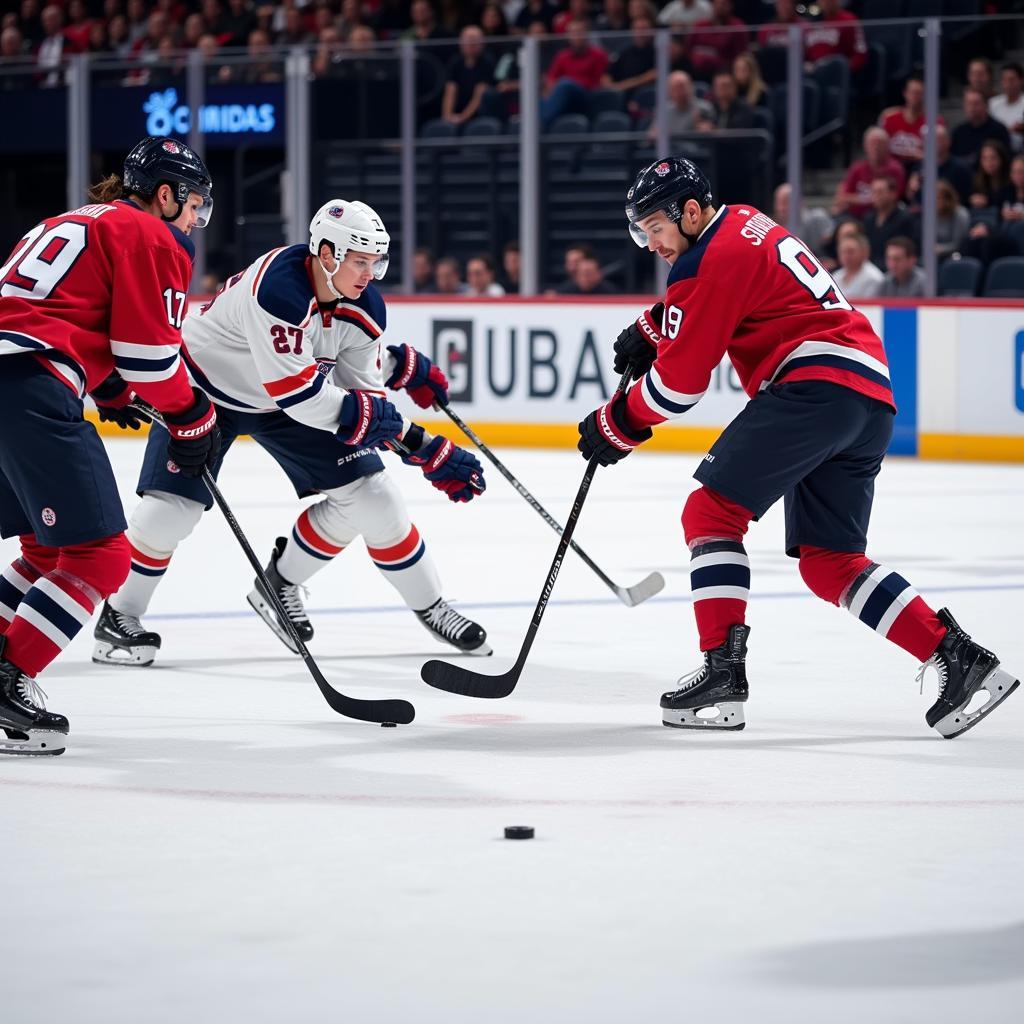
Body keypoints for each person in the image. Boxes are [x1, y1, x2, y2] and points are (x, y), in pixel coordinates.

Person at [576, 156, 1019, 738]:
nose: (652, 244)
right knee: (828, 562)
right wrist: (655, 326)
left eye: (655, 229)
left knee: (710, 513)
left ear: (688, 212)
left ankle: (722, 675)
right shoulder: (741, 221)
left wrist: (617, 422)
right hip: (867, 396)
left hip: (815, 387)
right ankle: (959, 659)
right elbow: (741, 297)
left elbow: (680, 388)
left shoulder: (704, 261)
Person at [93, 200, 490, 669]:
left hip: (286, 396)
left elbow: (362, 396)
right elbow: (302, 397)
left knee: (373, 497)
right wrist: (424, 445)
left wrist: (400, 390)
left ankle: (297, 587)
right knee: (170, 513)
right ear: (326, 254)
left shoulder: (366, 306)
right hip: (206, 392)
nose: (369, 273)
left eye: (375, 261)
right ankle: (119, 617)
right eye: (359, 260)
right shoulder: (279, 288)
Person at [0, 137, 217, 755]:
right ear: (165, 193)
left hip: (12, 375)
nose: (195, 219)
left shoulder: (68, 220)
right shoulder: (152, 235)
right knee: (100, 556)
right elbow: (150, 359)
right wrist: (194, 415)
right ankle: (7, 683)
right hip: (29, 387)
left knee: (46, 550)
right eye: (193, 203)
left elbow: (57, 313)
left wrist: (110, 386)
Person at [540, 19, 609, 128]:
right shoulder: (562, 56)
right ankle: (534, 123)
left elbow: (599, 83)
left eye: (579, 32)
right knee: (541, 99)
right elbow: (551, 80)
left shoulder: (598, 55)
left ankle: (540, 124)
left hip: (587, 97)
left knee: (565, 84)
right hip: (564, 97)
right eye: (573, 33)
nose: (576, 36)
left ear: (586, 34)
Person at [833, 127, 906, 219]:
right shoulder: (857, 168)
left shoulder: (895, 169)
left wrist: (855, 199)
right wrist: (867, 199)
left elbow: (893, 198)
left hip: (882, 216)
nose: (876, 147)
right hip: (855, 216)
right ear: (865, 146)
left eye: (880, 143)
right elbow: (842, 197)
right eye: (872, 143)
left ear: (887, 146)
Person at [879, 75, 944, 167]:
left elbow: (940, 154)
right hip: (892, 168)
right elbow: (879, 147)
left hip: (921, 168)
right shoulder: (889, 117)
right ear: (905, 93)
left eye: (919, 93)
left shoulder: (935, 121)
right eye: (912, 92)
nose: (915, 97)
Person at [441, 24, 494, 126]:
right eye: (466, 40)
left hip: (480, 115)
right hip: (457, 111)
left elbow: (480, 94)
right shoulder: (455, 62)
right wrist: (447, 116)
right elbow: (450, 90)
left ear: (482, 44)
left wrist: (463, 117)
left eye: (473, 41)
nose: (470, 44)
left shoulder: (487, 63)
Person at [861, 174, 916, 266]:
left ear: (893, 194)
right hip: (870, 268)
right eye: (874, 192)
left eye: (880, 192)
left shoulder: (905, 219)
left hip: (894, 267)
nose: (876, 196)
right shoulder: (868, 219)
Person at [951, 87, 1012, 166]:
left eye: (976, 103)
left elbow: (1006, 160)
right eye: (969, 103)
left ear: (986, 105)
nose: (972, 108)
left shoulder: (999, 130)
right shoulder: (958, 132)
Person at [832, 230, 883, 300]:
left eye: (851, 251)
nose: (846, 256)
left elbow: (870, 307)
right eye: (843, 251)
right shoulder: (836, 276)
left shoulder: (874, 278)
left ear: (865, 252)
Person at [989, 61, 1024, 150]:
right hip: (998, 150)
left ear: (1021, 80)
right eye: (1004, 80)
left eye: (1011, 80)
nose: (1008, 84)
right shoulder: (992, 103)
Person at [969, 139, 1011, 209]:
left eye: (993, 157)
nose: (988, 162)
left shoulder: (1011, 180)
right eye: (984, 158)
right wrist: (972, 200)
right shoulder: (976, 181)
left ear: (1002, 159)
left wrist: (988, 202)